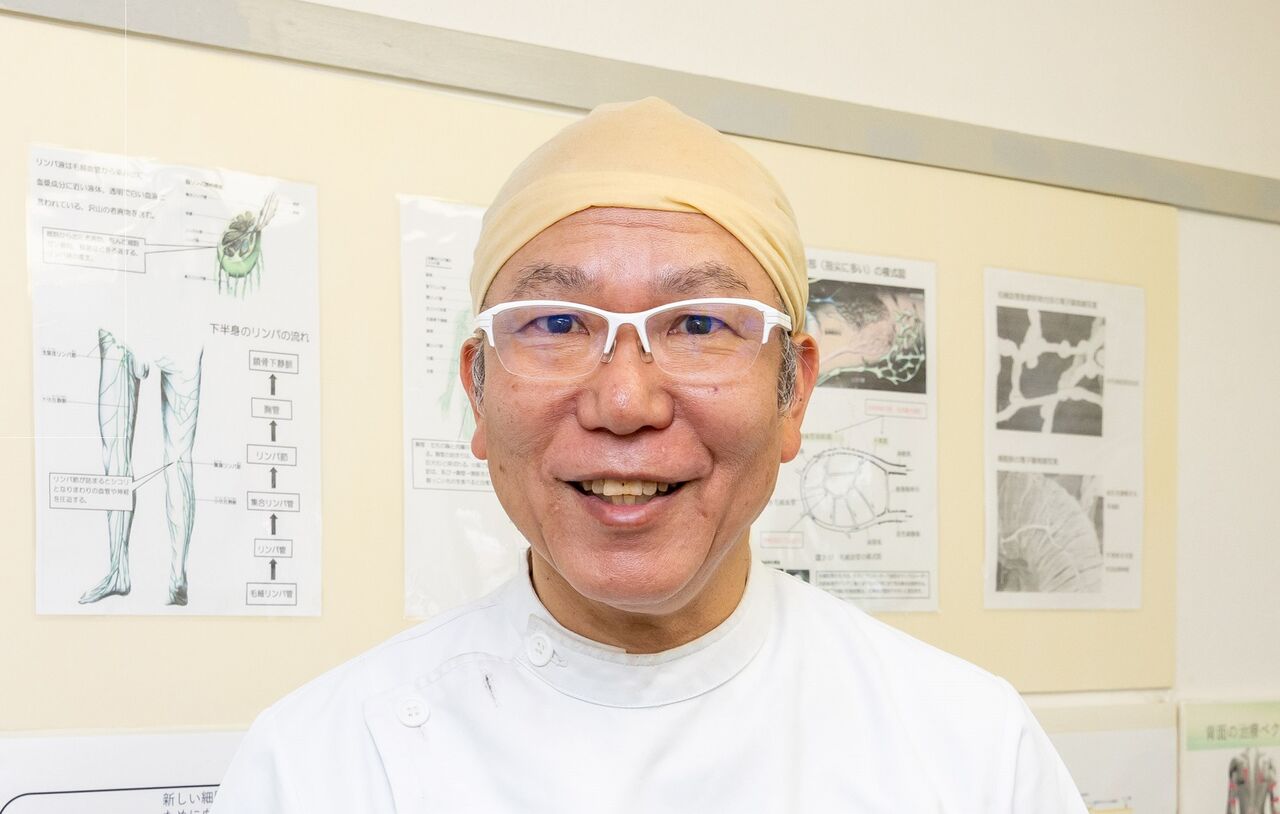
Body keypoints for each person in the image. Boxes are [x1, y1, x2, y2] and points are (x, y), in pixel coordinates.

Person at [212, 97, 1086, 812]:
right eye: (558, 323)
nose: (625, 402)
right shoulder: (325, 765)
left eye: (699, 324)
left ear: (794, 394)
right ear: (477, 390)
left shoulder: (969, 752)